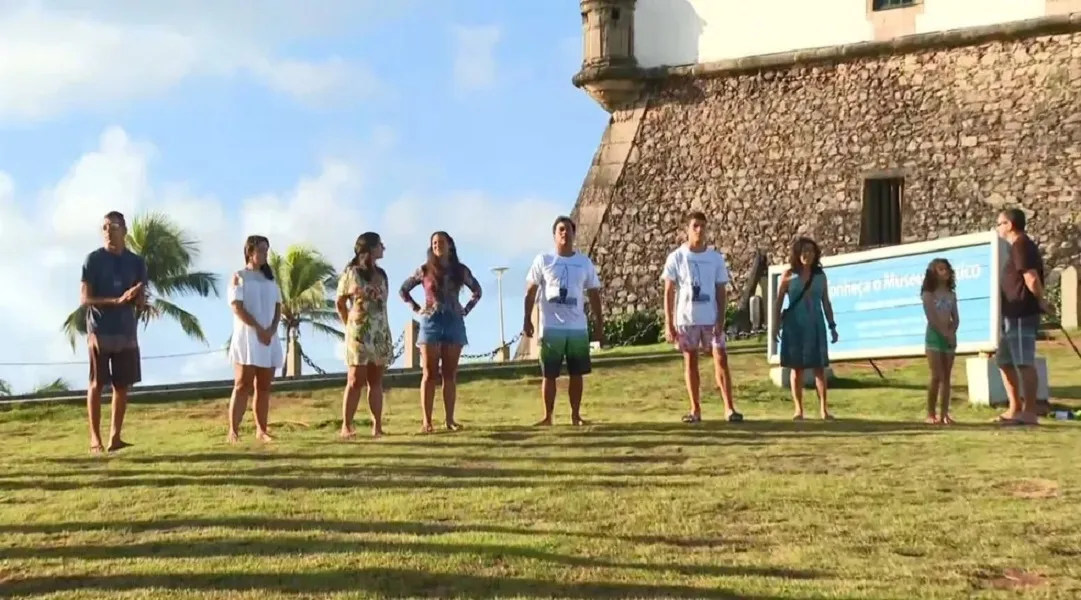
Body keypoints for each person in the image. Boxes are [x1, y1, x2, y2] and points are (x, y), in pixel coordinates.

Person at [662, 211, 743, 424]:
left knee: (720, 358)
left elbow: (720, 290)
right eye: (695, 226)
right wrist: (669, 324)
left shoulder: (715, 258)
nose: (699, 230)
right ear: (686, 230)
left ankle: (729, 408)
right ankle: (695, 409)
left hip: (710, 317)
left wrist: (721, 319)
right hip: (686, 319)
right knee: (691, 361)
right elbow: (669, 290)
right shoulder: (677, 257)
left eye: (702, 226)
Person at [522, 216, 604, 426]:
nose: (564, 234)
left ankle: (575, 415)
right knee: (549, 374)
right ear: (554, 235)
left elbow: (594, 293)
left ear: (574, 234)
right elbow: (530, 291)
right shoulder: (544, 260)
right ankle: (548, 416)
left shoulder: (583, 262)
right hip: (551, 328)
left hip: (576, 328)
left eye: (568, 230)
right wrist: (526, 319)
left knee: (577, 374)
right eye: (560, 230)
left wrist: (599, 323)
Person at [399, 231, 482, 433]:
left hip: (453, 321)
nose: (438, 246)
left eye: (441, 242)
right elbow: (404, 290)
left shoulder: (460, 270)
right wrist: (418, 309)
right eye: (434, 243)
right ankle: (427, 421)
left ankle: (450, 419)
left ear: (449, 245)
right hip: (431, 322)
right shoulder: (425, 269)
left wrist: (466, 309)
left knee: (449, 374)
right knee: (429, 373)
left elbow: (477, 291)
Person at [80, 210, 148, 454]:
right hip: (99, 329)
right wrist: (117, 301)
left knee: (122, 385)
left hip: (126, 330)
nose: (109, 231)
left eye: (115, 227)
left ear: (125, 231)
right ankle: (95, 439)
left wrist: (137, 298)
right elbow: (85, 298)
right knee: (97, 383)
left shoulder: (137, 262)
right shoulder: (93, 260)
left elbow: (140, 300)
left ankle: (115, 438)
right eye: (106, 227)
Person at [336, 232, 395, 439]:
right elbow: (340, 302)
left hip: (379, 331)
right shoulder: (352, 273)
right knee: (355, 380)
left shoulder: (383, 274)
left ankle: (377, 426)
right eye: (380, 244)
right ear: (369, 248)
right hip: (359, 332)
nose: (383, 248)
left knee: (376, 380)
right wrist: (349, 323)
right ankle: (346, 425)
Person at [772, 237, 838, 420]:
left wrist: (832, 326)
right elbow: (778, 303)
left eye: (810, 251)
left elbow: (826, 302)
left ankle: (824, 409)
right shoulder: (788, 275)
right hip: (794, 327)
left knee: (819, 368)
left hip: (815, 325)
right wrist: (776, 325)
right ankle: (798, 409)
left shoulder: (820, 276)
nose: (806, 255)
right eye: (803, 251)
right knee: (797, 368)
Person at [226, 235, 284, 443]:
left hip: (269, 335)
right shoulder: (240, 276)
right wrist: (258, 329)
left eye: (266, 250)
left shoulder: (270, 278)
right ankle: (233, 430)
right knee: (242, 384)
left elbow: (278, 306)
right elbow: (237, 307)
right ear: (250, 252)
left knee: (264, 386)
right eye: (260, 250)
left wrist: (272, 329)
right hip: (249, 337)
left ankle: (262, 429)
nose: (264, 254)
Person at [994, 208, 1048, 426]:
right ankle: (1014, 408)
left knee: (1024, 362)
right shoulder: (1016, 246)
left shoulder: (1022, 245)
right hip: (1010, 315)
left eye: (1000, 223)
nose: (997, 228)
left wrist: (1042, 300)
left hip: (1022, 314)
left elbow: (1031, 278)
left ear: (1010, 225)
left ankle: (1030, 412)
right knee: (1004, 361)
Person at [921, 258, 959, 425]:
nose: (944, 273)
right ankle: (931, 413)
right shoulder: (928, 294)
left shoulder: (952, 294)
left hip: (949, 337)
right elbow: (932, 317)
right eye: (940, 269)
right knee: (937, 376)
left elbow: (956, 317)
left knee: (947, 377)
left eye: (946, 269)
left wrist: (952, 332)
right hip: (934, 337)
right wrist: (944, 332)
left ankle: (945, 414)